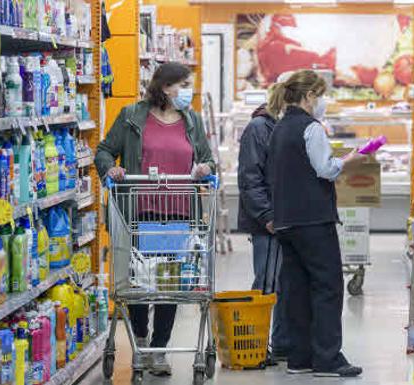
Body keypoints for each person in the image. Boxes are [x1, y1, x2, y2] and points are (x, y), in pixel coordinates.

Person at [95, 62, 215, 376]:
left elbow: (207, 159)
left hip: (179, 214)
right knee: (139, 282)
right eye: (184, 84)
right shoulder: (133, 116)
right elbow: (105, 150)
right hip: (140, 211)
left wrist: (205, 169)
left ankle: (159, 349)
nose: (189, 90)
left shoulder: (192, 121)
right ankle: (141, 338)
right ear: (166, 86)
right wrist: (111, 169)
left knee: (168, 284)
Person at [268, 70, 366, 377]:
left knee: (296, 287)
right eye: (320, 94)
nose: (322, 101)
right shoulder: (311, 128)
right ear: (310, 96)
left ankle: (300, 358)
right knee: (327, 286)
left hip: (286, 219)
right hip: (313, 218)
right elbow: (324, 169)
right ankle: (327, 358)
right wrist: (346, 161)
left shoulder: (280, 127)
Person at [237, 78, 291, 362]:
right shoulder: (259, 127)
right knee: (267, 283)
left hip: (285, 219)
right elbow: (249, 178)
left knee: (283, 283)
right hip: (268, 222)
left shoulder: (282, 125)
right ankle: (256, 345)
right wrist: (268, 216)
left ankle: (280, 343)